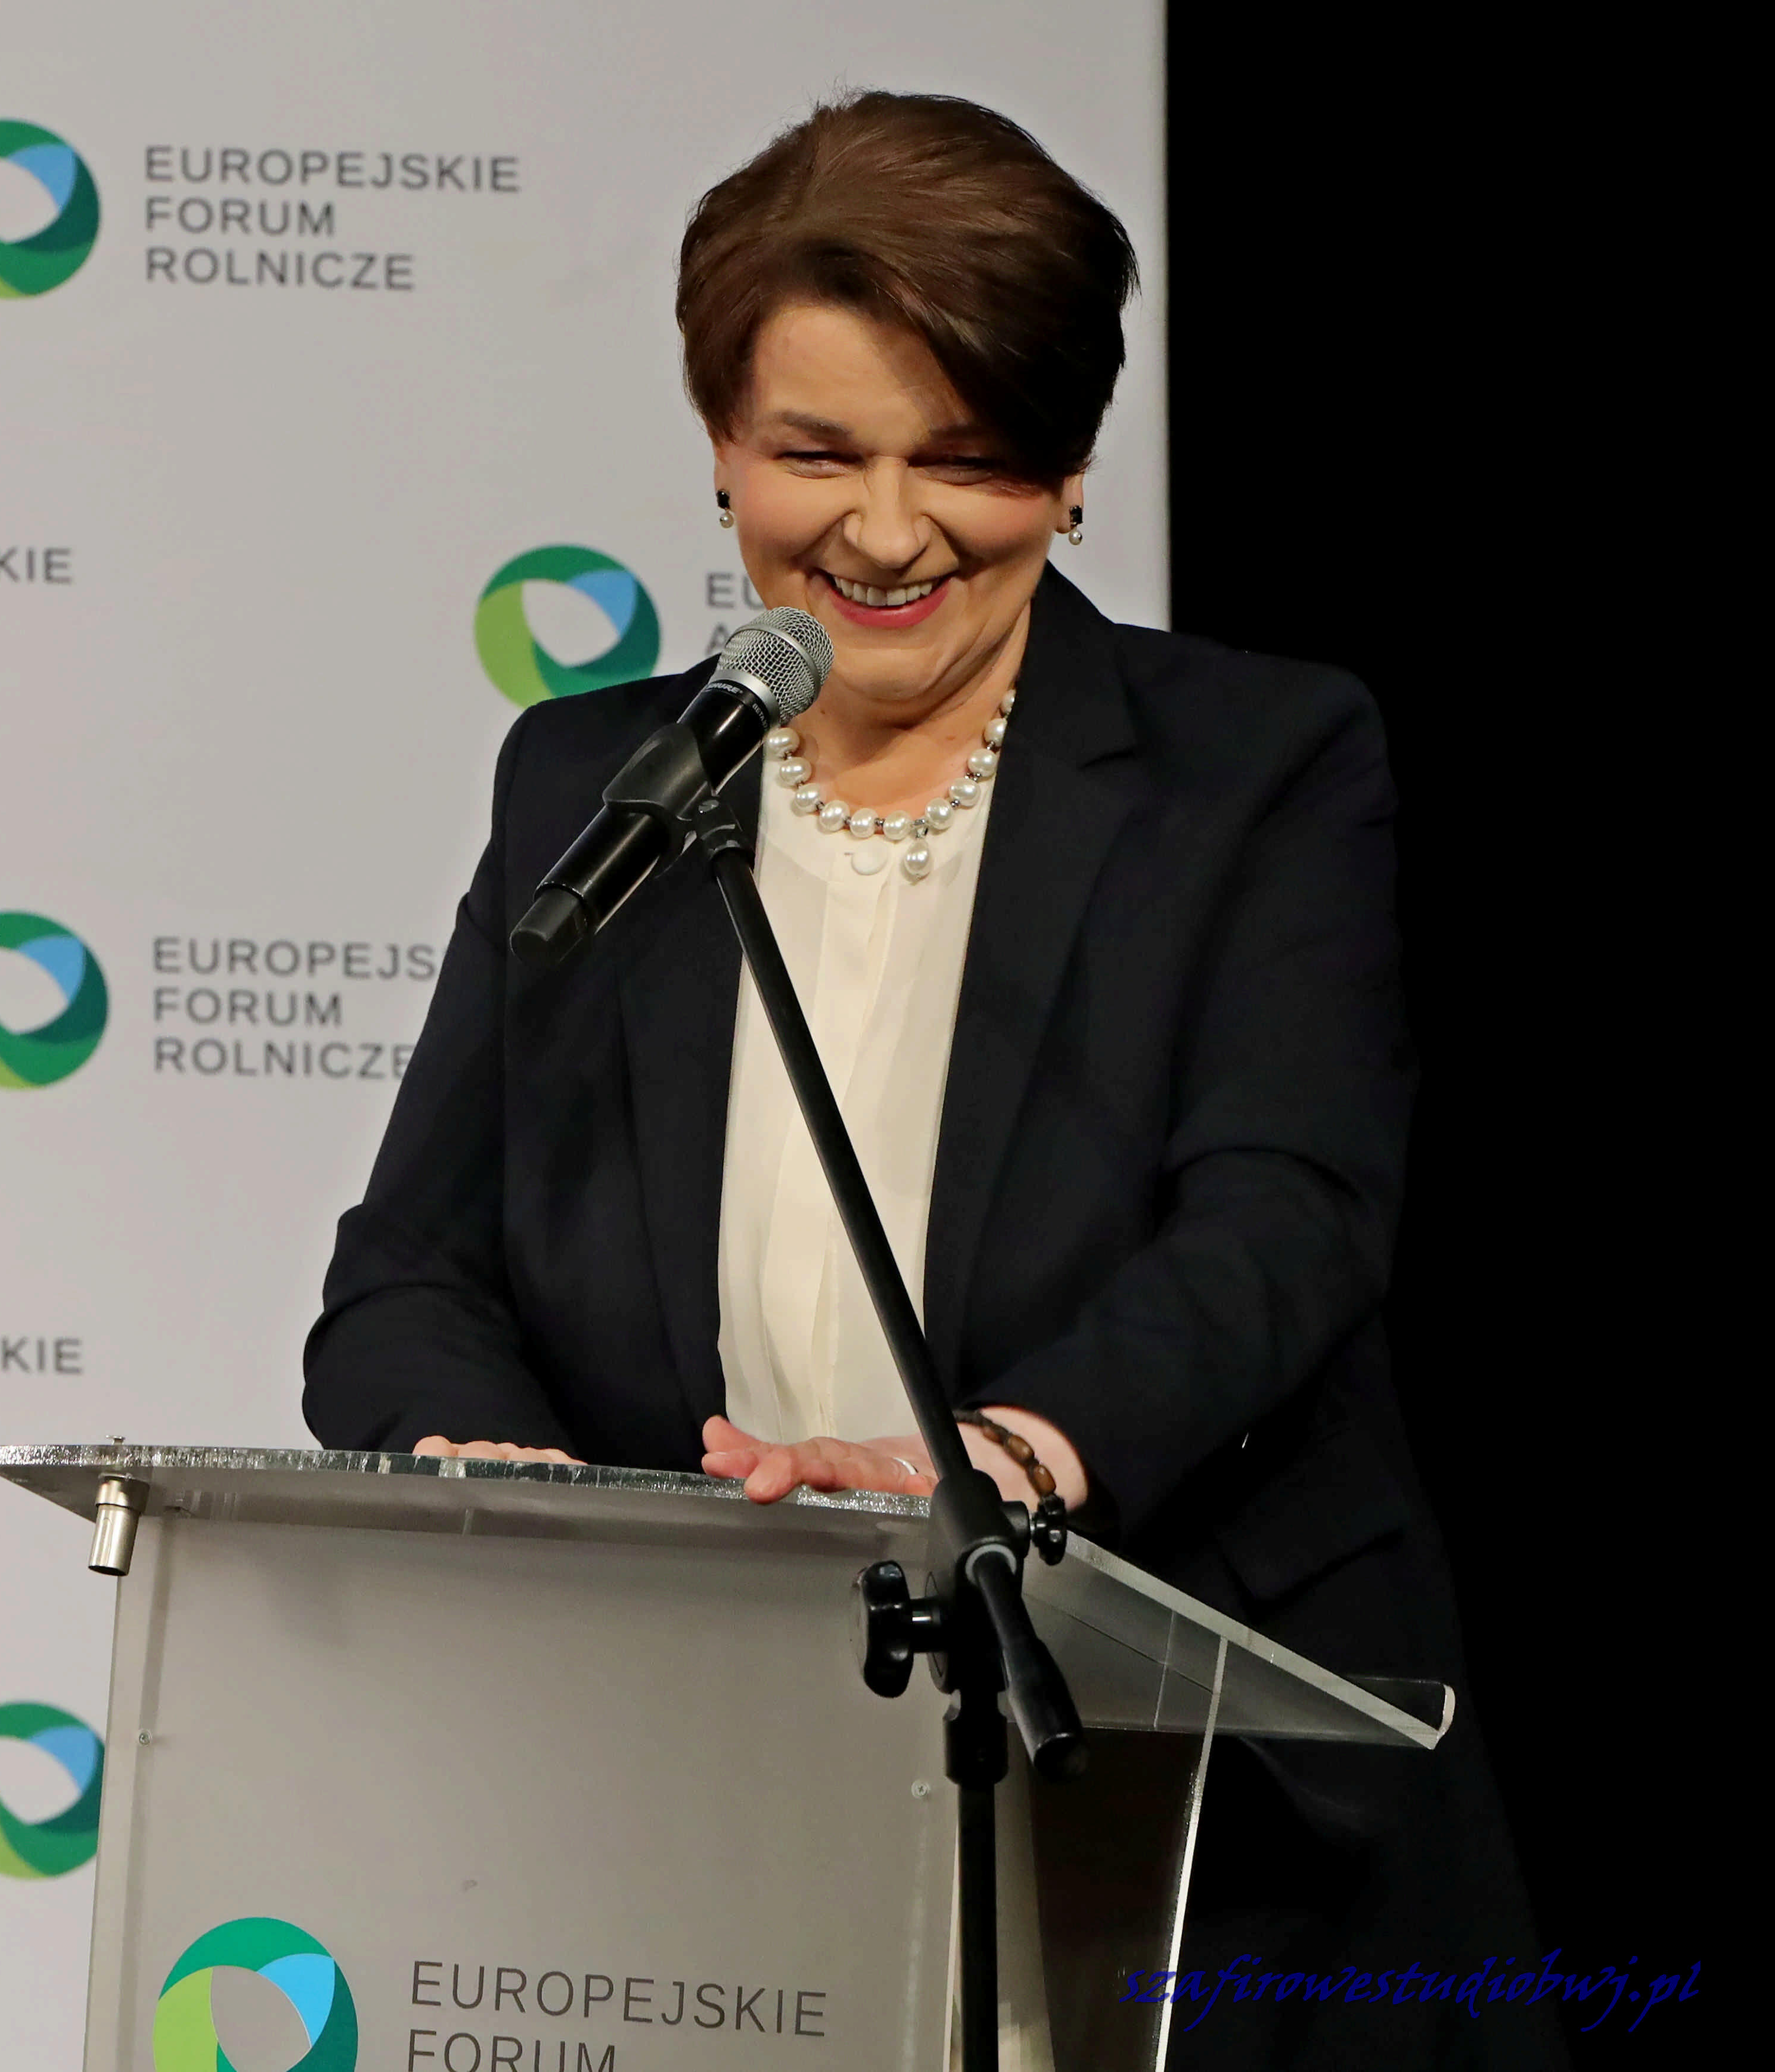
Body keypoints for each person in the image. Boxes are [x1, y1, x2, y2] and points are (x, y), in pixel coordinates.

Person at [304, 91, 1553, 2070]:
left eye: (962, 460)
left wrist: (1015, 1458)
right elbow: (408, 1275)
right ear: (721, 446)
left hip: (1190, 1833)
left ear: (1069, 469)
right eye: (818, 454)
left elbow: (1288, 1214)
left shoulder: (1257, 767)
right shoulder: (597, 782)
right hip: (711, 1818)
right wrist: (520, 1498)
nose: (886, 534)